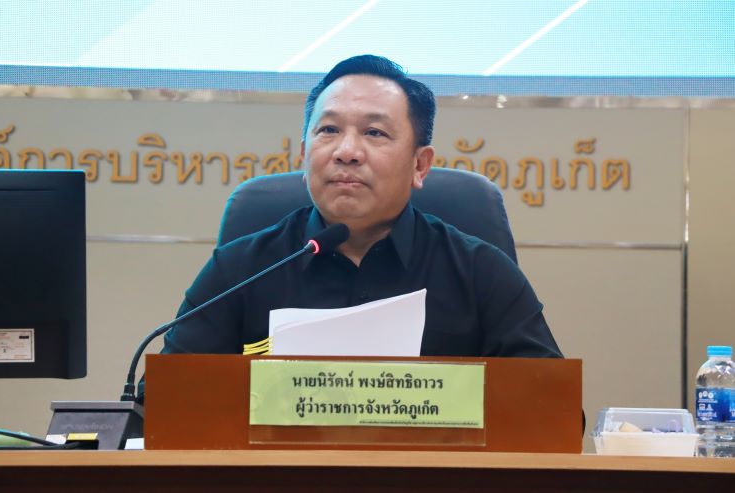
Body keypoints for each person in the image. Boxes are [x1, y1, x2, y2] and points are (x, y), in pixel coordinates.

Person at [153, 54, 561, 373]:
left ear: (420, 165)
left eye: (374, 132)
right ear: (304, 155)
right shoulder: (241, 270)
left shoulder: (480, 272)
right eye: (328, 130)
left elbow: (551, 410)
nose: (346, 151)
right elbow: (160, 403)